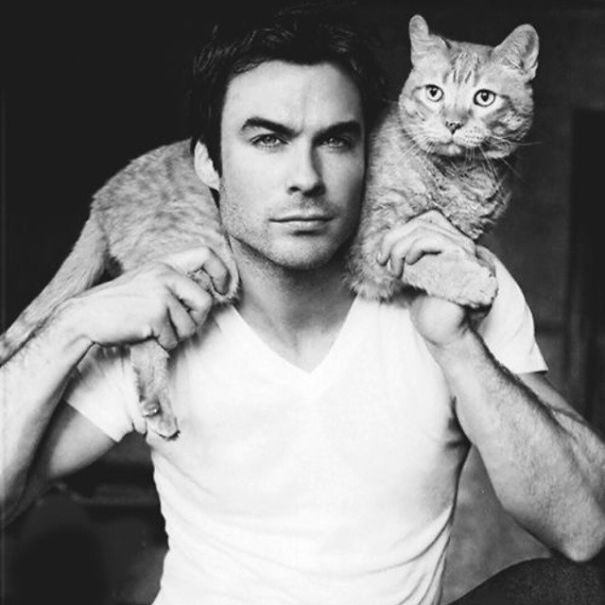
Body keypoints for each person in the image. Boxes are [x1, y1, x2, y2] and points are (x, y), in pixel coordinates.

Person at [2, 6, 605, 605]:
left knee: (567, 591)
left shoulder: (463, 281)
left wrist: (457, 344)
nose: (306, 178)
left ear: (370, 151)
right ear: (208, 162)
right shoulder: (158, 309)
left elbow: (586, 529)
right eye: (269, 139)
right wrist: (69, 326)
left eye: (336, 141)